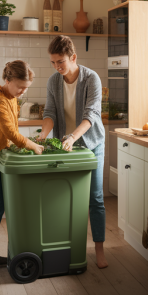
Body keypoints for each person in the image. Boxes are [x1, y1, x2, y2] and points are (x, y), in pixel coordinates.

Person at [37, 35, 108, 268]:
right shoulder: (53, 82)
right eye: (53, 62)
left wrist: (72, 137)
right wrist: (42, 135)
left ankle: (99, 249)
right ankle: (66, 245)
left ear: (73, 57)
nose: (57, 67)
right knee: (65, 196)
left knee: (94, 197)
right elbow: (49, 113)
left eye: (61, 62)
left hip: (90, 144)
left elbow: (91, 115)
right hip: (64, 146)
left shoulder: (91, 79)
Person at [0, 60, 44, 272]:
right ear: (7, 80)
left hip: (0, 158)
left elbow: (13, 130)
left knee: (1, 206)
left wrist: (24, 145)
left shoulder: (12, 97)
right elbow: (10, 133)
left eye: (26, 87)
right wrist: (32, 145)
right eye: (20, 86)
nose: (23, 91)